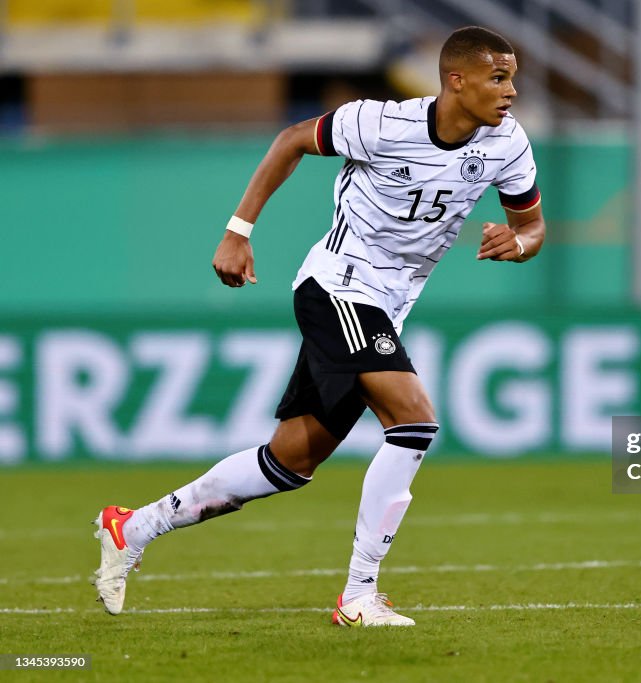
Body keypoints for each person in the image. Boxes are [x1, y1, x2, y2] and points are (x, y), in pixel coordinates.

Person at [91, 26, 545, 627]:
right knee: (414, 424)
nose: (511, 90)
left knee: (290, 461)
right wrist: (238, 230)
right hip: (338, 285)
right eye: (498, 77)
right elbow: (290, 141)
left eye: (512, 77)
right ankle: (359, 596)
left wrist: (518, 242)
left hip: (388, 305)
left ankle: (134, 527)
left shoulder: (508, 144)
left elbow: (534, 228)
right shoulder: (380, 124)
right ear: (456, 81)